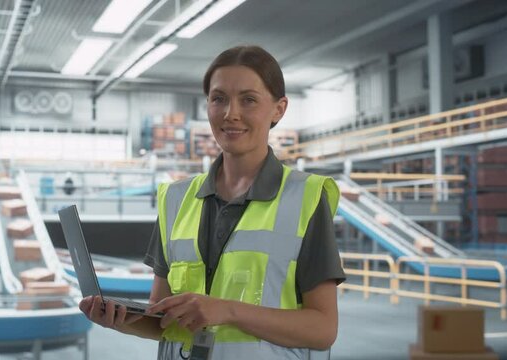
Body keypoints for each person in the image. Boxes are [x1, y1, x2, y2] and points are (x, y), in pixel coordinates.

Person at [79, 45, 346, 360]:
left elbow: (323, 329)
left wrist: (228, 311)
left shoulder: (305, 198)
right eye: (218, 98)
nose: (230, 113)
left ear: (279, 109)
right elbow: (165, 323)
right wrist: (123, 321)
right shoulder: (175, 200)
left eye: (248, 99)